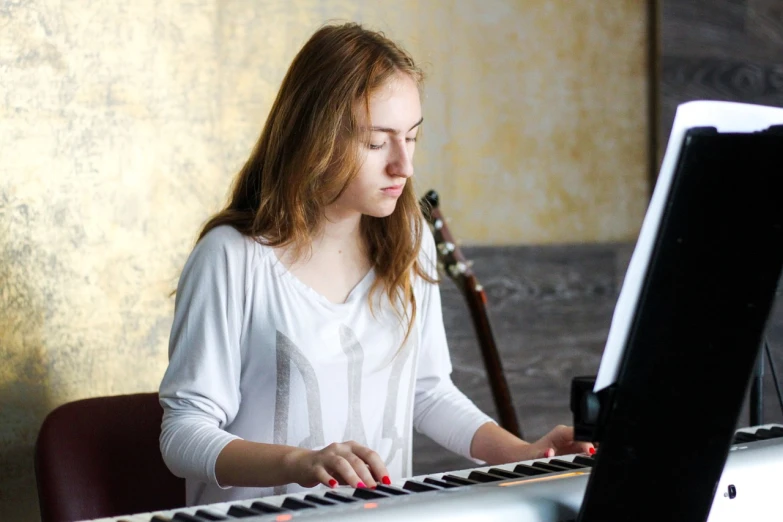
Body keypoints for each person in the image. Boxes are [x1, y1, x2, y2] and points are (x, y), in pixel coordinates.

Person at [158, 21, 593, 507]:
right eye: (376, 142)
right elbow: (182, 436)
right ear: (314, 141)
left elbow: (427, 391)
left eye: (411, 137)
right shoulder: (230, 258)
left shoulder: (410, 240)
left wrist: (524, 454)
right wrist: (299, 463)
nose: (403, 166)